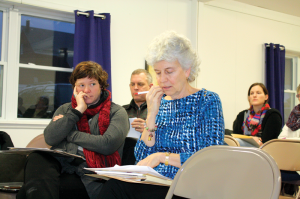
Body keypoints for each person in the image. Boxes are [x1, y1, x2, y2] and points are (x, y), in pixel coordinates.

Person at [98, 31, 224, 199]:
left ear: (187, 70)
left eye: (169, 71)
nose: (162, 79)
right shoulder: (160, 102)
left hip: (187, 185)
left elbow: (210, 158)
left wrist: (161, 157)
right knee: (113, 187)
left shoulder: (207, 100)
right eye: (158, 72)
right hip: (156, 182)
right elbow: (141, 157)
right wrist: (151, 113)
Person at [16, 61, 129, 199]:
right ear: (75, 88)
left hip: (91, 173)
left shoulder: (117, 112)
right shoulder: (66, 109)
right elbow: (50, 138)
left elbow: (107, 144)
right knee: (37, 158)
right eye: (81, 85)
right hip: (62, 164)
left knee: (26, 192)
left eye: (92, 84)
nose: (86, 90)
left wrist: (68, 133)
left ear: (101, 86)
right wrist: (78, 110)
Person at [123, 69, 153, 134]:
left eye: (140, 84)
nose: (135, 88)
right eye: (133, 84)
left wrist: (149, 129)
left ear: (150, 87)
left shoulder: (159, 110)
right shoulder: (121, 111)